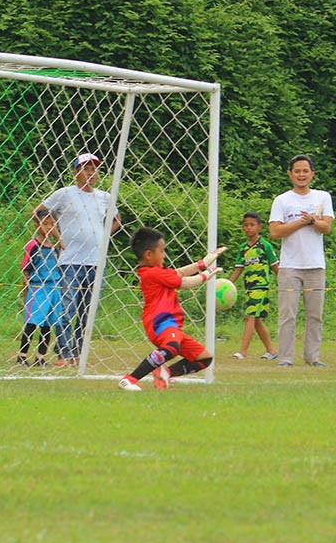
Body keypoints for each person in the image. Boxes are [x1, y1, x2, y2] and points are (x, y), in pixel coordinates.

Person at [34, 153, 121, 366]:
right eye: (86, 169)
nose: (90, 173)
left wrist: (101, 236)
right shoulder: (65, 194)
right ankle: (63, 353)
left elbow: (117, 219)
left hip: (95, 262)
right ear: (75, 172)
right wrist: (54, 237)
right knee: (67, 308)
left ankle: (77, 354)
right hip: (70, 260)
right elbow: (38, 212)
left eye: (94, 169)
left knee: (87, 311)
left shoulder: (104, 197)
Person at [117, 227, 224, 391]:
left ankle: (165, 373)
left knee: (204, 358)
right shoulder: (152, 273)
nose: (164, 255)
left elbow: (179, 272)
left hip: (172, 325)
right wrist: (205, 275)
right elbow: (184, 282)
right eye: (162, 251)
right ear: (148, 255)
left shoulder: (157, 272)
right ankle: (129, 379)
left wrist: (203, 263)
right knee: (171, 347)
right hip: (160, 322)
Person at [268, 155, 334, 367]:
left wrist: (313, 220)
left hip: (315, 265)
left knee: (315, 315)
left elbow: (327, 227)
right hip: (289, 266)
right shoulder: (282, 200)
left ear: (312, 174)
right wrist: (300, 222)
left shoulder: (322, 197)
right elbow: (275, 231)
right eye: (297, 171)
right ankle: (285, 358)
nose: (301, 175)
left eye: (305, 171)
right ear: (290, 174)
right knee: (288, 315)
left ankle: (312, 357)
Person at [227, 212, 280, 360]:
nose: (249, 228)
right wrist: (227, 284)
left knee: (249, 317)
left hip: (261, 287)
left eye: (252, 225)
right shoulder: (243, 248)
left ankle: (243, 352)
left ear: (259, 227)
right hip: (249, 288)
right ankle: (271, 350)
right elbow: (239, 269)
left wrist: (285, 284)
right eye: (246, 225)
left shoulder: (265, 246)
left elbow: (276, 268)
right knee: (256, 321)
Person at [17, 209, 63, 367]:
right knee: (32, 322)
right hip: (38, 288)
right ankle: (22, 355)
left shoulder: (56, 247)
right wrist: (25, 291)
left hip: (54, 288)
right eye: (45, 224)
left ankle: (40, 357)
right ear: (37, 226)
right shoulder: (33, 245)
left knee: (49, 324)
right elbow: (26, 269)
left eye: (52, 224)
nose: (49, 228)